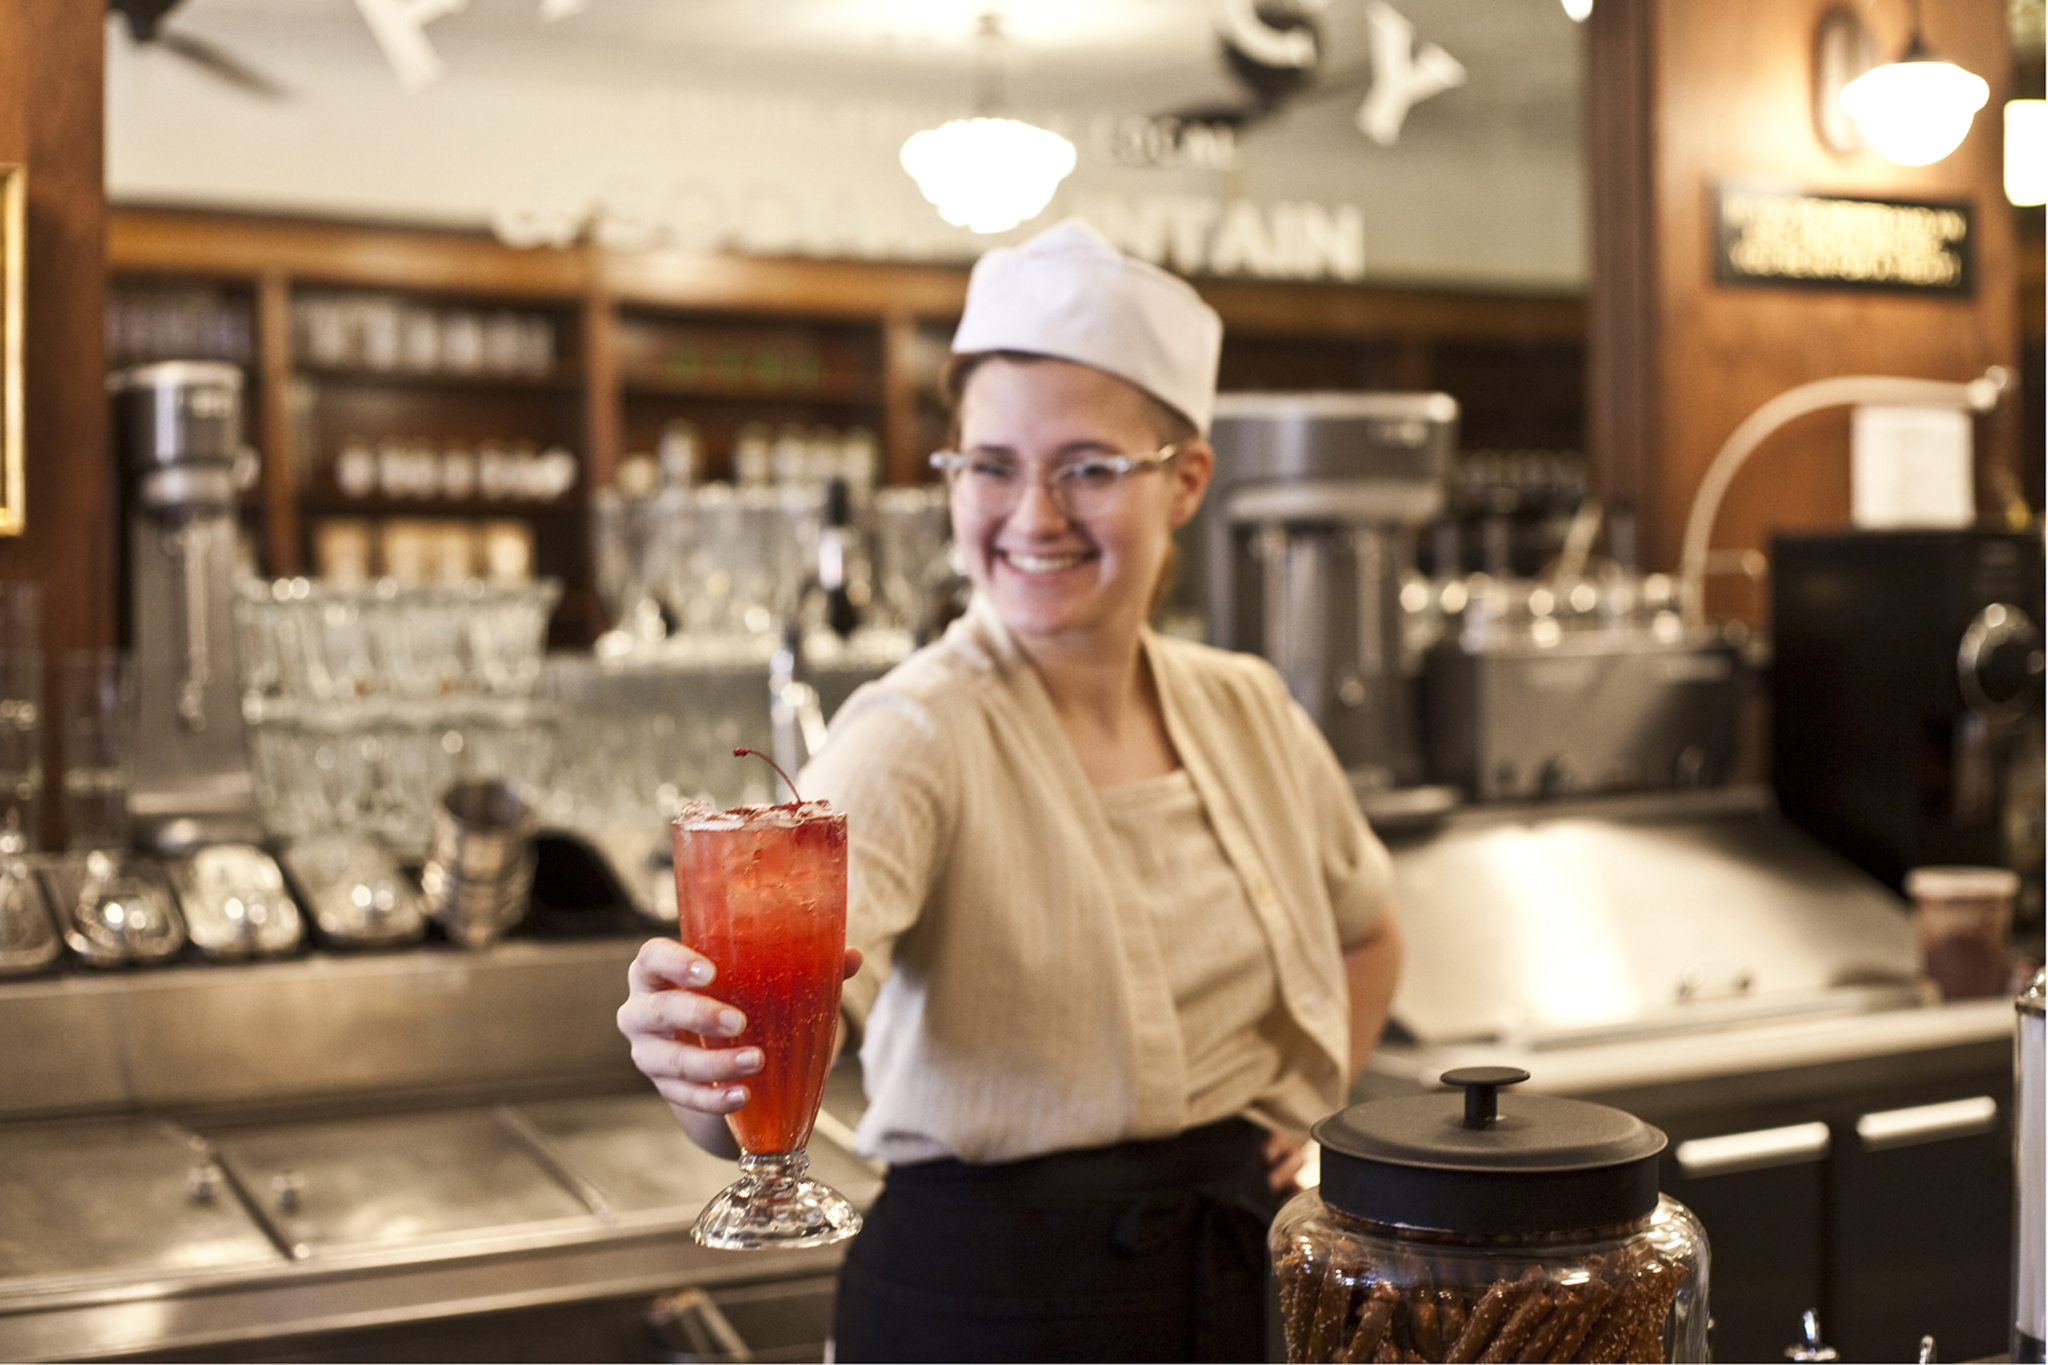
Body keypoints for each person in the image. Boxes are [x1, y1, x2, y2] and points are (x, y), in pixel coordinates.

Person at [618, 218, 1403, 1363]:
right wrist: (694, 1061)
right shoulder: (911, 731)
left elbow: (1367, 934)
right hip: (984, 1312)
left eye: (1085, 468)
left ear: (1184, 483)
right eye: (989, 466)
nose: (1031, 516)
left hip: (1239, 1283)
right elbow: (782, 1024)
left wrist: (1303, 1108)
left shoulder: (1247, 709)